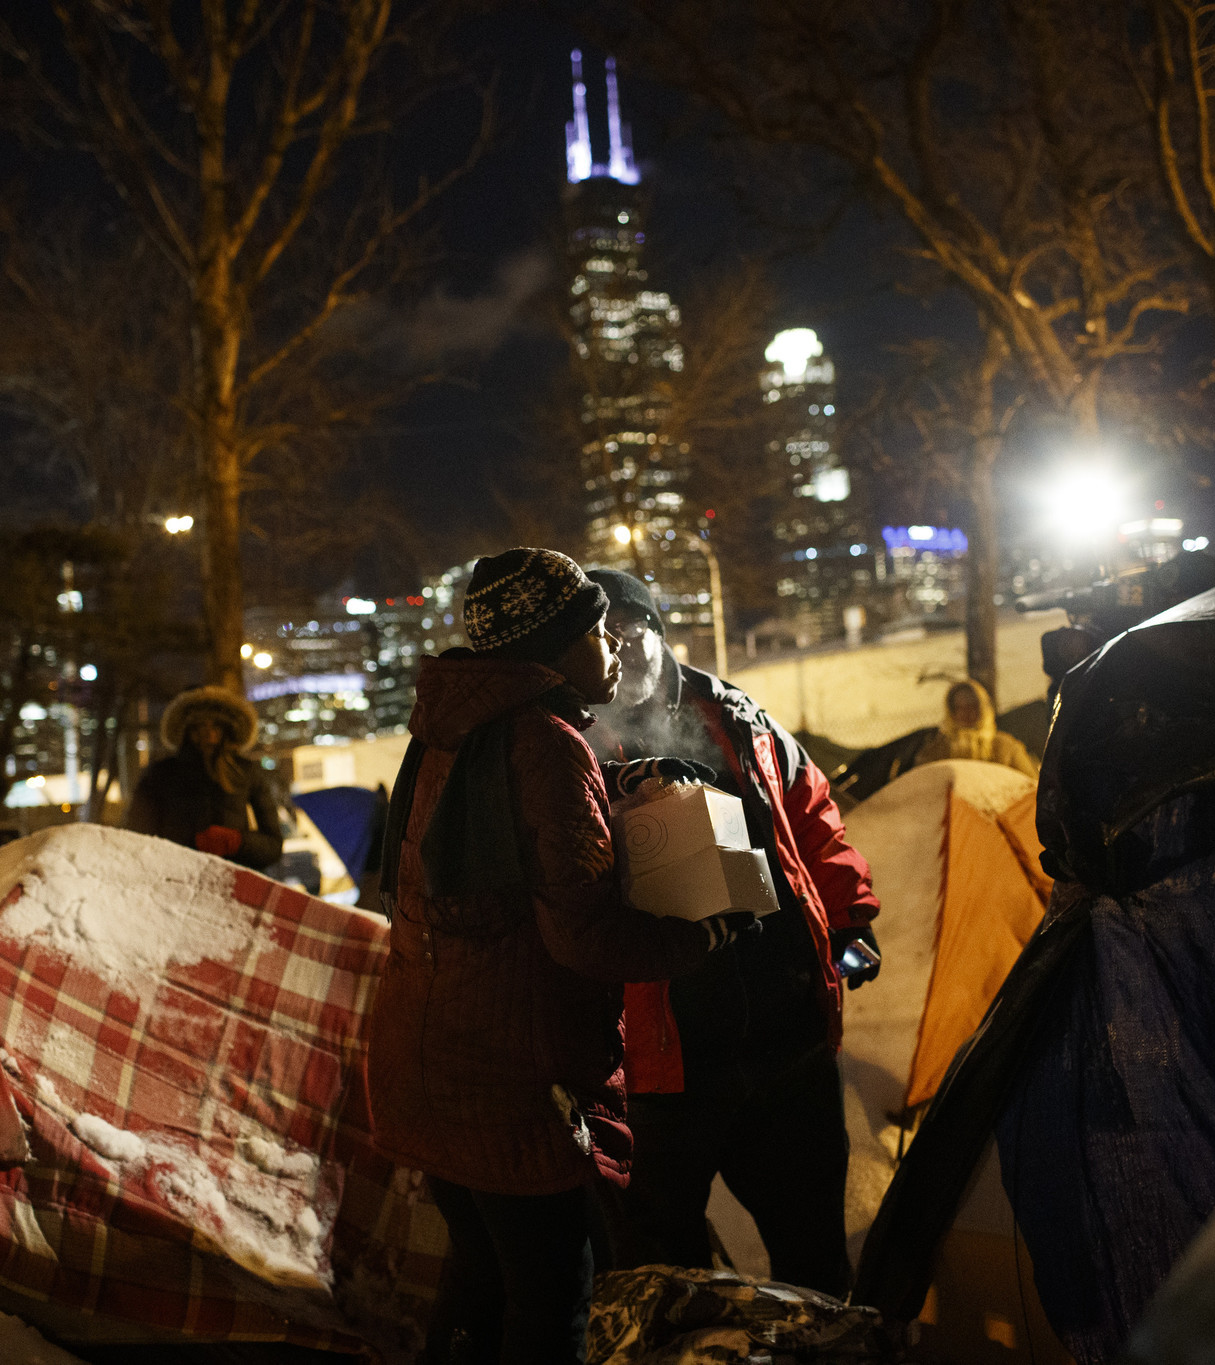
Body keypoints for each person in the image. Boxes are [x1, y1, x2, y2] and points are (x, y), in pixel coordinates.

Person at [365, 549, 755, 1365]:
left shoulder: (447, 728)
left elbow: (499, 866)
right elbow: (584, 934)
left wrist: (616, 789)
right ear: (548, 648)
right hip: (516, 1081)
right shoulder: (544, 741)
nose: (613, 642)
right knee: (550, 1303)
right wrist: (704, 933)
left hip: (431, 1064)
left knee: (478, 1283)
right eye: (593, 627)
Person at [582, 567, 881, 1298]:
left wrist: (850, 918)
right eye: (598, 640)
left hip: (786, 1041)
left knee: (813, 1252)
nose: (618, 656)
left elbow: (811, 813)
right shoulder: (574, 742)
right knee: (666, 1268)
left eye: (629, 633)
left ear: (658, 631)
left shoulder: (738, 716)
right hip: (663, 1059)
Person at [124, 685, 286, 870]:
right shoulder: (161, 774)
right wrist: (184, 846)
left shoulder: (245, 772)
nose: (208, 733)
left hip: (234, 879)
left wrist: (237, 842)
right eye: (200, 725)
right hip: (177, 878)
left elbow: (273, 846)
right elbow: (135, 837)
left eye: (216, 725)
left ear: (227, 729)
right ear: (187, 730)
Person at [915, 677, 1039, 779]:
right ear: (952, 711)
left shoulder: (1004, 747)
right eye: (960, 707)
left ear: (983, 709)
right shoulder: (937, 749)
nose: (966, 713)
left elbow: (1029, 786)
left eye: (972, 706)